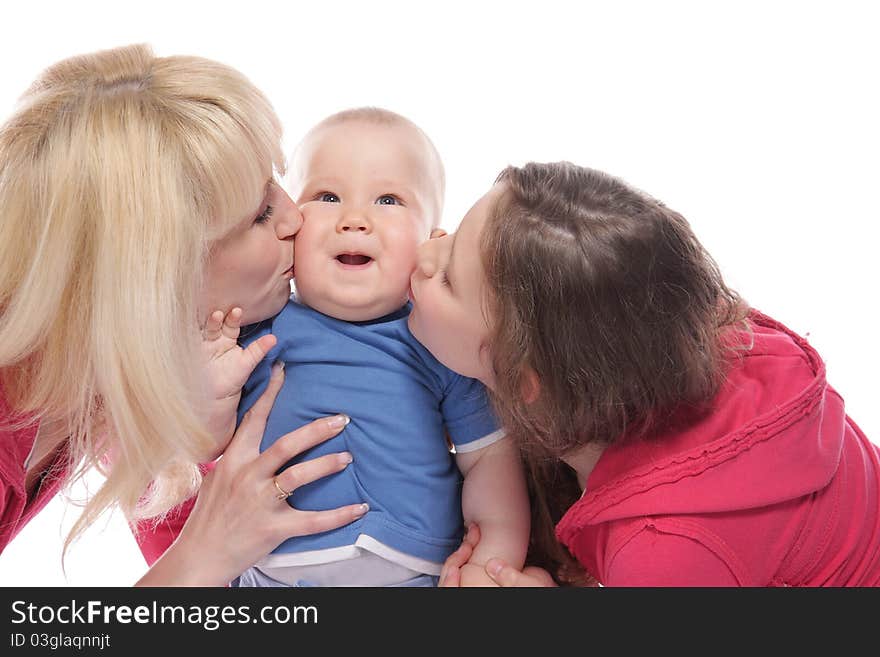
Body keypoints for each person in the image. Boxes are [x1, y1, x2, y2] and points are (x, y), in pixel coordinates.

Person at [0, 43, 369, 585]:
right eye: (261, 213)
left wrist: (202, 441)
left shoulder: (93, 371)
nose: (297, 216)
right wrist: (206, 552)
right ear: (151, 275)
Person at [409, 161, 880, 586]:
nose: (427, 251)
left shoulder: (661, 550)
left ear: (526, 380)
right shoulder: (680, 333)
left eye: (449, 279)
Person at [227, 108, 530, 587]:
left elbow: (488, 456)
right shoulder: (256, 325)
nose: (354, 220)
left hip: (417, 571)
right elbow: (199, 436)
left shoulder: (439, 338)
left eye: (388, 200)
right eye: (327, 196)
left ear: (433, 243)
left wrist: (493, 555)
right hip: (274, 572)